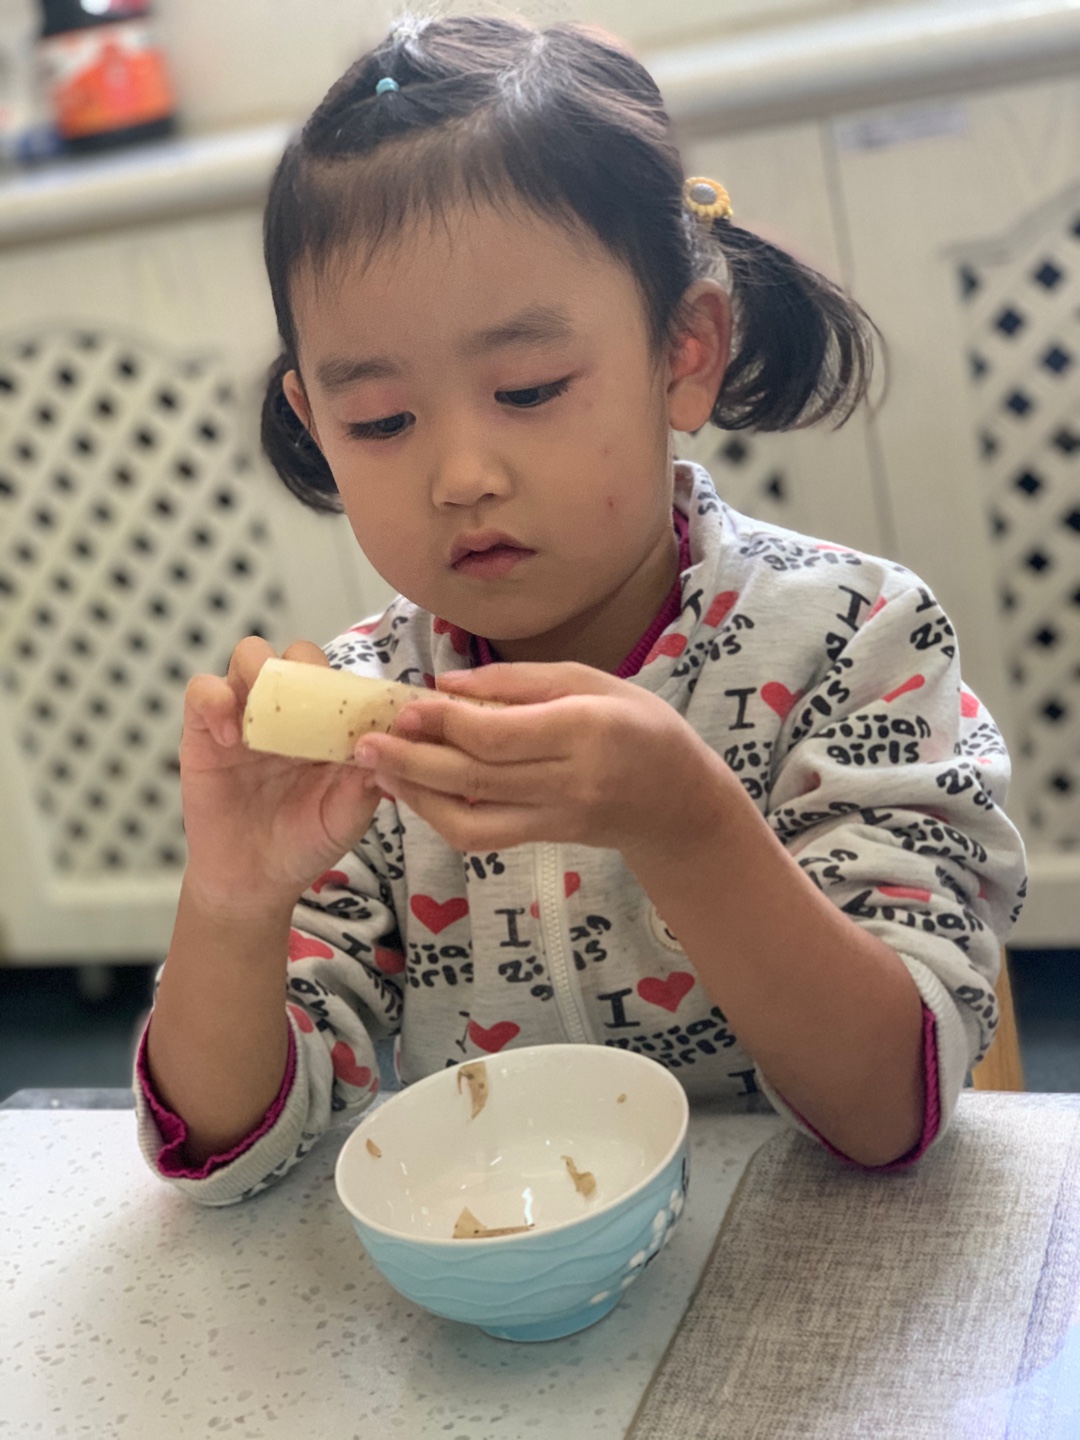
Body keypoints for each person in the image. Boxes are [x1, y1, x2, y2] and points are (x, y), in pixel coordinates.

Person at [135, 12, 1027, 1205]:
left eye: (528, 389)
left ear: (684, 352)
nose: (461, 476)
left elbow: (885, 1113)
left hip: (798, 1257)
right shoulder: (365, 723)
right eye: (381, 421)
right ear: (313, 422)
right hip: (503, 1278)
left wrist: (687, 824)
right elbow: (227, 1151)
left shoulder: (855, 642)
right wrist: (233, 899)